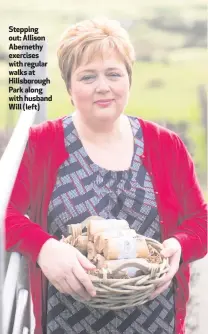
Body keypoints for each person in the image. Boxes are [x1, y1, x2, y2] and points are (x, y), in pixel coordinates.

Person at [5, 17, 207, 334]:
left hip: (156, 325)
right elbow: (8, 215)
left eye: (114, 73)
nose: (104, 86)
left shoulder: (166, 146)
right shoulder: (42, 145)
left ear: (129, 79)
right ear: (69, 87)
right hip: (67, 326)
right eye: (88, 76)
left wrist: (178, 246)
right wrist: (44, 248)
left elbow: (200, 220)